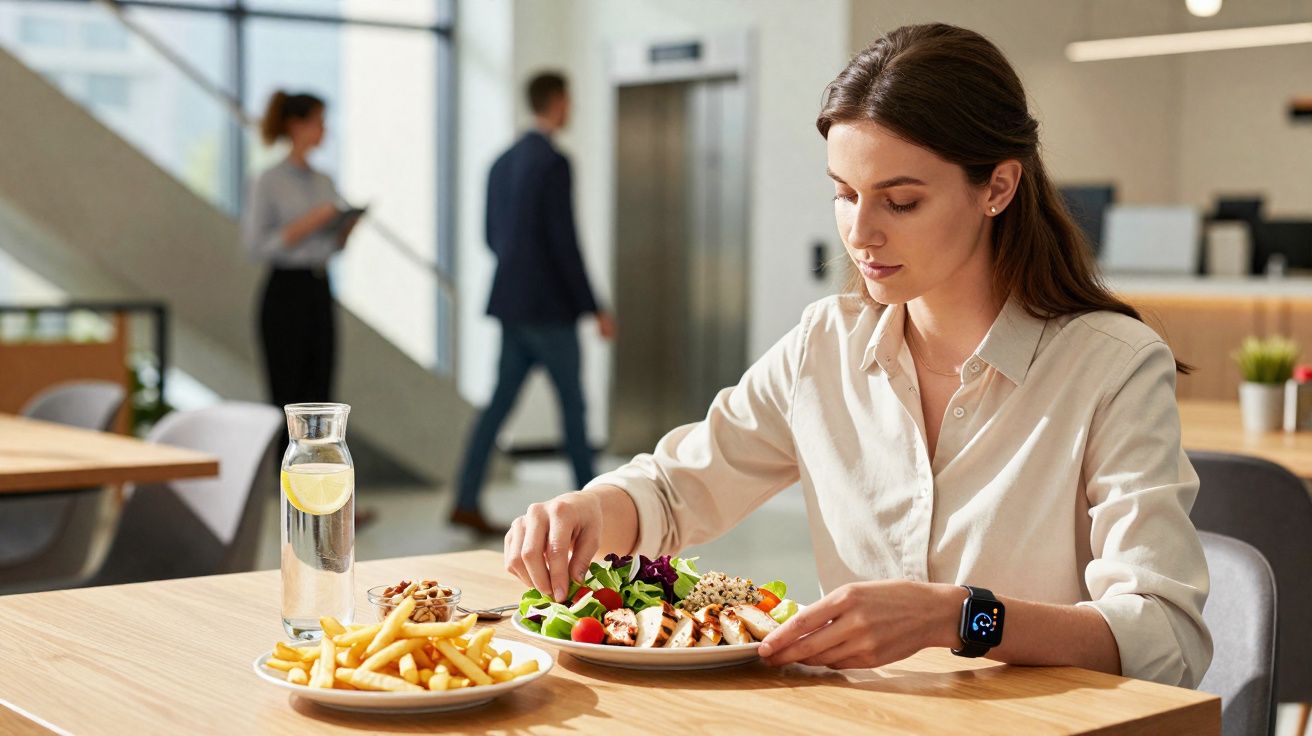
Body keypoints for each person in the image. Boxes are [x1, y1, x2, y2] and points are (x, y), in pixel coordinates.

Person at [502, 24, 1211, 688]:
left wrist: (959, 616)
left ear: (998, 186)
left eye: (900, 202)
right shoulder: (825, 346)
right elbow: (675, 490)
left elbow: (1163, 640)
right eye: (844, 195)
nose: (862, 232)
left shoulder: (1113, 366)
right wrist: (591, 509)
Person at [451, 72, 616, 535]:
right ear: (559, 102)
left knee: (498, 406)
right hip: (550, 311)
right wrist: (594, 305)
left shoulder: (500, 163)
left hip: (511, 304)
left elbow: (490, 237)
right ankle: (593, 507)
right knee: (574, 407)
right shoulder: (555, 162)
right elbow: (564, 242)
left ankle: (464, 497)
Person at [242, 91, 362, 413]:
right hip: (285, 292)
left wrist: (343, 229)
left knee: (321, 393)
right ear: (296, 125)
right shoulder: (268, 180)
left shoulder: (324, 180)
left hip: (319, 287)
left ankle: (318, 464)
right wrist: (308, 223)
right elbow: (256, 246)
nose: (324, 130)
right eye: (319, 122)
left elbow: (330, 245)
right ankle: (285, 464)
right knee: (287, 397)